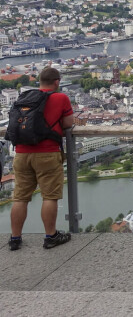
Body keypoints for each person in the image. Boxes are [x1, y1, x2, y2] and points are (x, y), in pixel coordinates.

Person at [7, 67, 74, 251]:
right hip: (47, 153)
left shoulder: (25, 97)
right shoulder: (60, 98)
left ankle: (15, 238)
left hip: (21, 153)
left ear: (40, 82)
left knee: (20, 197)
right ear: (57, 82)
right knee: (50, 196)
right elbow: (68, 123)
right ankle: (51, 236)